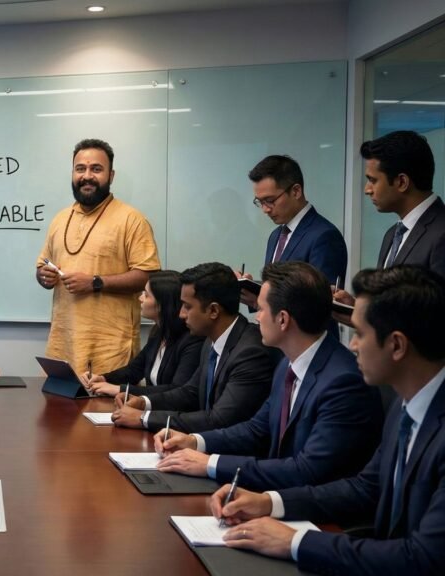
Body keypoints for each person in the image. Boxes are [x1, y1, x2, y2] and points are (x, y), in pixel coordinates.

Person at [210, 266, 445, 574]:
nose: (353, 345)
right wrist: (269, 502)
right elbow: (365, 488)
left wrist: (295, 542)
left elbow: (423, 557)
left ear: (397, 345)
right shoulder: (407, 406)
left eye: (360, 333)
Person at [153, 261, 382, 490]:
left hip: (319, 514)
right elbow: (256, 429)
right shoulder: (287, 365)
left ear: (282, 319)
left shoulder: (343, 382)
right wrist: (194, 441)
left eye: (261, 309)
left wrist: (212, 463)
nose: (257, 318)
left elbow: (307, 470)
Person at [35, 138, 161, 376]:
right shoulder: (60, 219)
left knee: (104, 411)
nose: (87, 176)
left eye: (96, 169)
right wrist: (43, 276)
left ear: (111, 176)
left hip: (110, 347)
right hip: (63, 344)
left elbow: (148, 276)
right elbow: (43, 266)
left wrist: (95, 282)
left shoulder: (131, 220)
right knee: (58, 410)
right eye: (80, 169)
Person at [112, 262, 275, 433]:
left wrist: (143, 418)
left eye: (187, 306)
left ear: (213, 311)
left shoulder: (249, 353)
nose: (181, 314)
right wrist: (143, 402)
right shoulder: (211, 339)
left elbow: (219, 419)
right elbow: (190, 392)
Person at [333, 131, 445, 321]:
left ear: (402, 182)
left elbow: (437, 321)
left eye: (373, 180)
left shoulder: (441, 234)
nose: (367, 190)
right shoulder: (393, 234)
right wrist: (356, 310)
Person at [239, 155, 347, 308]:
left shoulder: (324, 236)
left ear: (296, 191)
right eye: (259, 202)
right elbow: (280, 291)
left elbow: (320, 305)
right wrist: (254, 293)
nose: (265, 209)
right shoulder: (276, 235)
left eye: (270, 200)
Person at [84, 270, 204, 397]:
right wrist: (104, 379)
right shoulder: (158, 333)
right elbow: (134, 370)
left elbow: (177, 390)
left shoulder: (193, 341)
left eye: (146, 295)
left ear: (163, 304)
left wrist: (122, 390)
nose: (140, 298)